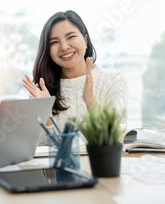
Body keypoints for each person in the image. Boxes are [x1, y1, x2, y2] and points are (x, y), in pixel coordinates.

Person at [22, 10, 127, 138]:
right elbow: (42, 150)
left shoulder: (113, 80)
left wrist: (90, 102)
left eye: (71, 37)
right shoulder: (43, 92)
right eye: (54, 42)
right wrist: (47, 115)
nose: (64, 47)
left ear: (85, 39)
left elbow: (116, 138)